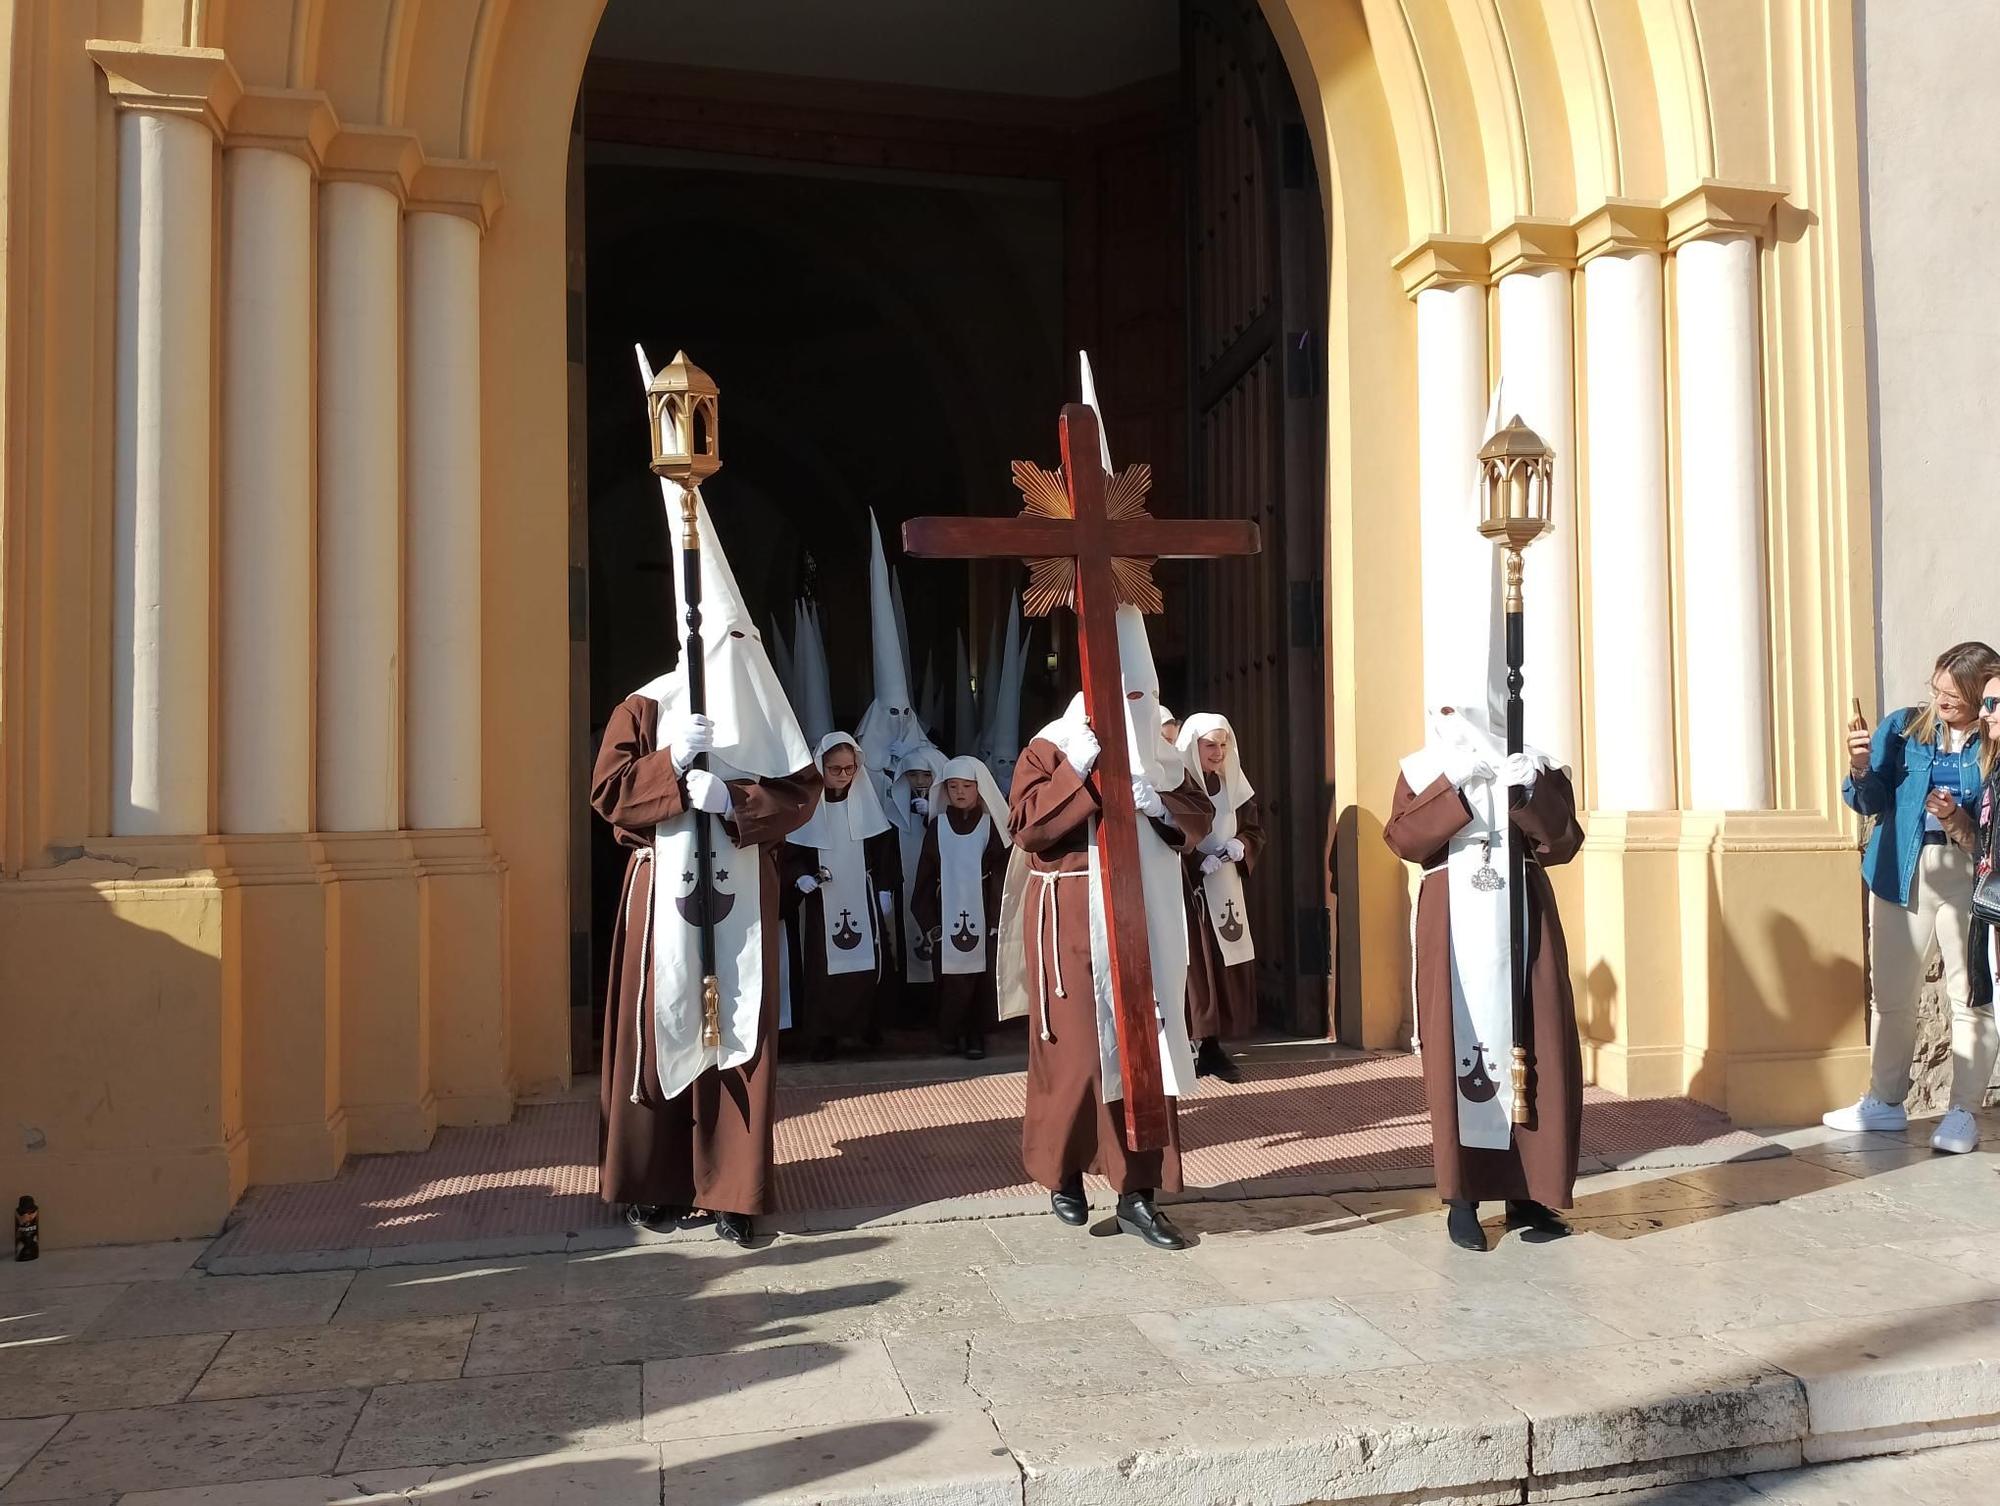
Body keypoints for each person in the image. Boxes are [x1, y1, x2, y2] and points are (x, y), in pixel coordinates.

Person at [592, 495, 821, 1248]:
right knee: (661, 1026)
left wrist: (734, 797)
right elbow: (609, 796)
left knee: (736, 1031)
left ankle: (733, 1186)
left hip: (740, 892)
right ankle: (655, 1182)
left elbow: (801, 794)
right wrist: (669, 766)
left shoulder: (763, 712)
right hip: (664, 890)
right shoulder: (647, 706)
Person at [1005, 604, 1213, 1250]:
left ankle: (1137, 1193)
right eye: (1123, 695)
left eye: (1145, 696)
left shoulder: (1164, 754)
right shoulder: (1052, 746)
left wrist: (1159, 806)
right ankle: (1063, 1171)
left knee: (1141, 1054)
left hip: (1142, 920)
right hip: (1070, 919)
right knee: (1076, 1059)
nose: (1137, 708)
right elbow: (1026, 826)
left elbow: (1197, 814)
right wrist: (1081, 776)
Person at [1383, 702, 1584, 1253]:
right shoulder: (1422, 768)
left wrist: (1526, 795)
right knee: (1459, 1043)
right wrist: (1457, 792)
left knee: (1535, 1037)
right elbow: (1403, 840)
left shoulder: (1535, 763)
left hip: (1524, 913)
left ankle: (1529, 1192)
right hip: (1452, 917)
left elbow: (1564, 842)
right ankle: (1463, 1197)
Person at [1827, 641, 2000, 1152]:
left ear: (1977, 693)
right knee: (1892, 994)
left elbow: (1990, 825)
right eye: (1936, 687)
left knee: (1970, 996)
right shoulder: (1904, 728)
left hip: (1966, 875)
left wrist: (1956, 818)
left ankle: (1963, 1111)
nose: (1939, 700)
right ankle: (1884, 1101)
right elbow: (1871, 801)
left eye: (1952, 693)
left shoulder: (1991, 741)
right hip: (1901, 871)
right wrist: (1860, 767)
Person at [784, 732, 902, 1061]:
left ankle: (867, 1025)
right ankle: (825, 1034)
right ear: (820, 767)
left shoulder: (866, 803)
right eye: (834, 769)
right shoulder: (806, 807)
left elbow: (883, 850)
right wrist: (799, 877)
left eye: (849, 769)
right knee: (824, 967)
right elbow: (791, 852)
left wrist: (883, 889)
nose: (842, 776)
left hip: (862, 895)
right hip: (823, 900)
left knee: (870, 962)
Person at [1176, 713, 1263, 1082]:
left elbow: (1253, 828)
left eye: (1223, 744)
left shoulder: (1233, 785)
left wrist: (1241, 845)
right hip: (1189, 891)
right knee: (1194, 970)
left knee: (1221, 963)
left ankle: (1213, 1047)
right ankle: (1188, 1045)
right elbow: (1167, 832)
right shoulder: (1177, 783)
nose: (1218, 752)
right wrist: (1196, 859)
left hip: (1224, 888)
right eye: (1210, 744)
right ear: (1194, 746)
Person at [913, 756, 1012, 1058]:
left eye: (967, 786)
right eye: (953, 786)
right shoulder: (938, 827)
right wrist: (929, 922)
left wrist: (996, 917)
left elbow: (1000, 875)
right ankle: (949, 1033)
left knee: (979, 979)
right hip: (947, 910)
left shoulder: (990, 827)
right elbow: (925, 878)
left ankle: (975, 1035)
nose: (959, 792)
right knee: (949, 978)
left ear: (979, 789)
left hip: (982, 911)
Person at [886, 744, 950, 1029]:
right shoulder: (895, 809)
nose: (920, 782)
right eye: (912, 776)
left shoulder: (949, 809)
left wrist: (933, 815)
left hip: (937, 891)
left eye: (925, 775)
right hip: (905, 890)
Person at [1963, 669, 2000, 1026]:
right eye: (1982, 704)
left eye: (1993, 703)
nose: (1984, 713)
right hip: (1992, 917)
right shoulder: (1993, 770)